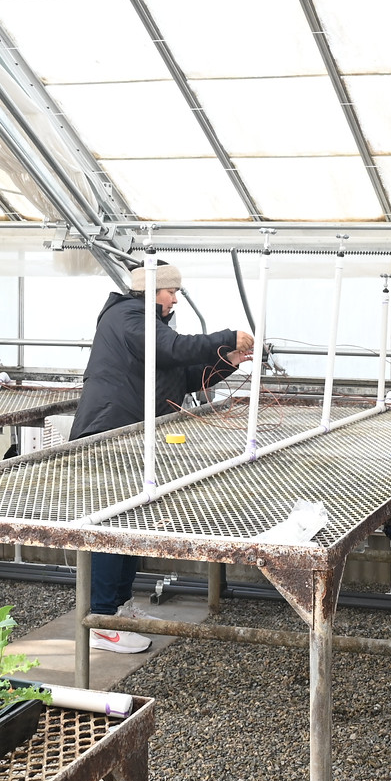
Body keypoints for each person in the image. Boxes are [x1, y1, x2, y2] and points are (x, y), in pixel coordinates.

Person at [71, 261, 251, 653]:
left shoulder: (148, 323)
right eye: (171, 291)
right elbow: (170, 348)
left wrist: (226, 362)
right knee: (109, 527)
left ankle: (117, 608)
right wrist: (226, 337)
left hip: (133, 437)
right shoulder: (128, 316)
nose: (174, 298)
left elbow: (179, 375)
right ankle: (101, 618)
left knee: (128, 524)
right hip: (109, 434)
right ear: (153, 291)